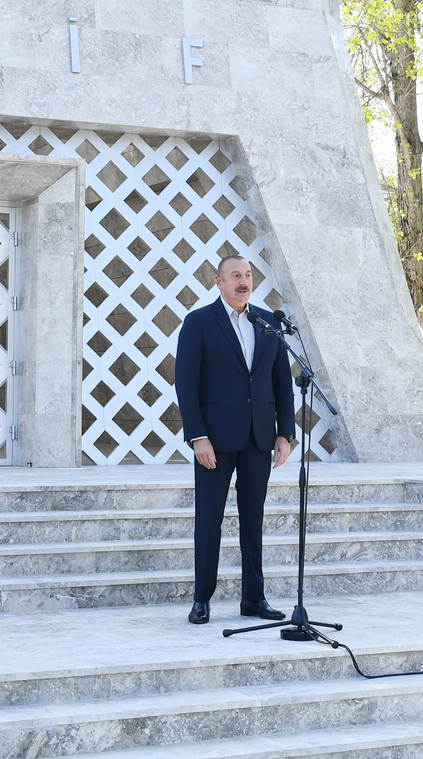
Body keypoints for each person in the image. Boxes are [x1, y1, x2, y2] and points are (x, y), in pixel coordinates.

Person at [174, 255, 297, 624]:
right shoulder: (198, 323)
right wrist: (198, 436)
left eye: (248, 275)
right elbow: (186, 383)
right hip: (215, 439)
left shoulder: (268, 323)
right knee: (209, 519)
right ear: (219, 282)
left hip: (259, 438)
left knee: (252, 519)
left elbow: (282, 384)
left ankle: (253, 599)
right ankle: (201, 599)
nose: (244, 282)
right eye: (235, 276)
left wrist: (285, 433)